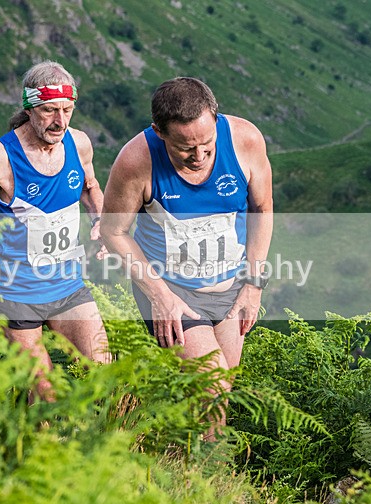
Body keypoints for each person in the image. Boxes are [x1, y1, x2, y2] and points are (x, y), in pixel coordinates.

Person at [100, 77, 273, 439]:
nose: (198, 156)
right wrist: (160, 296)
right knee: (213, 388)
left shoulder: (245, 140)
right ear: (159, 132)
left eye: (207, 144)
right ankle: (211, 470)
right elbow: (113, 232)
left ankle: (172, 458)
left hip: (230, 286)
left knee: (217, 392)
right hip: (171, 291)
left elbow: (262, 208)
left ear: (216, 118)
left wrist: (253, 284)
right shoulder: (136, 160)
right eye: (185, 148)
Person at [0, 60, 111, 401]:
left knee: (103, 375)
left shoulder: (79, 143)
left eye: (67, 110)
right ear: (29, 108)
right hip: (15, 293)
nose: (60, 121)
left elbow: (90, 187)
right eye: (49, 110)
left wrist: (100, 220)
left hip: (67, 285)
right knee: (44, 396)